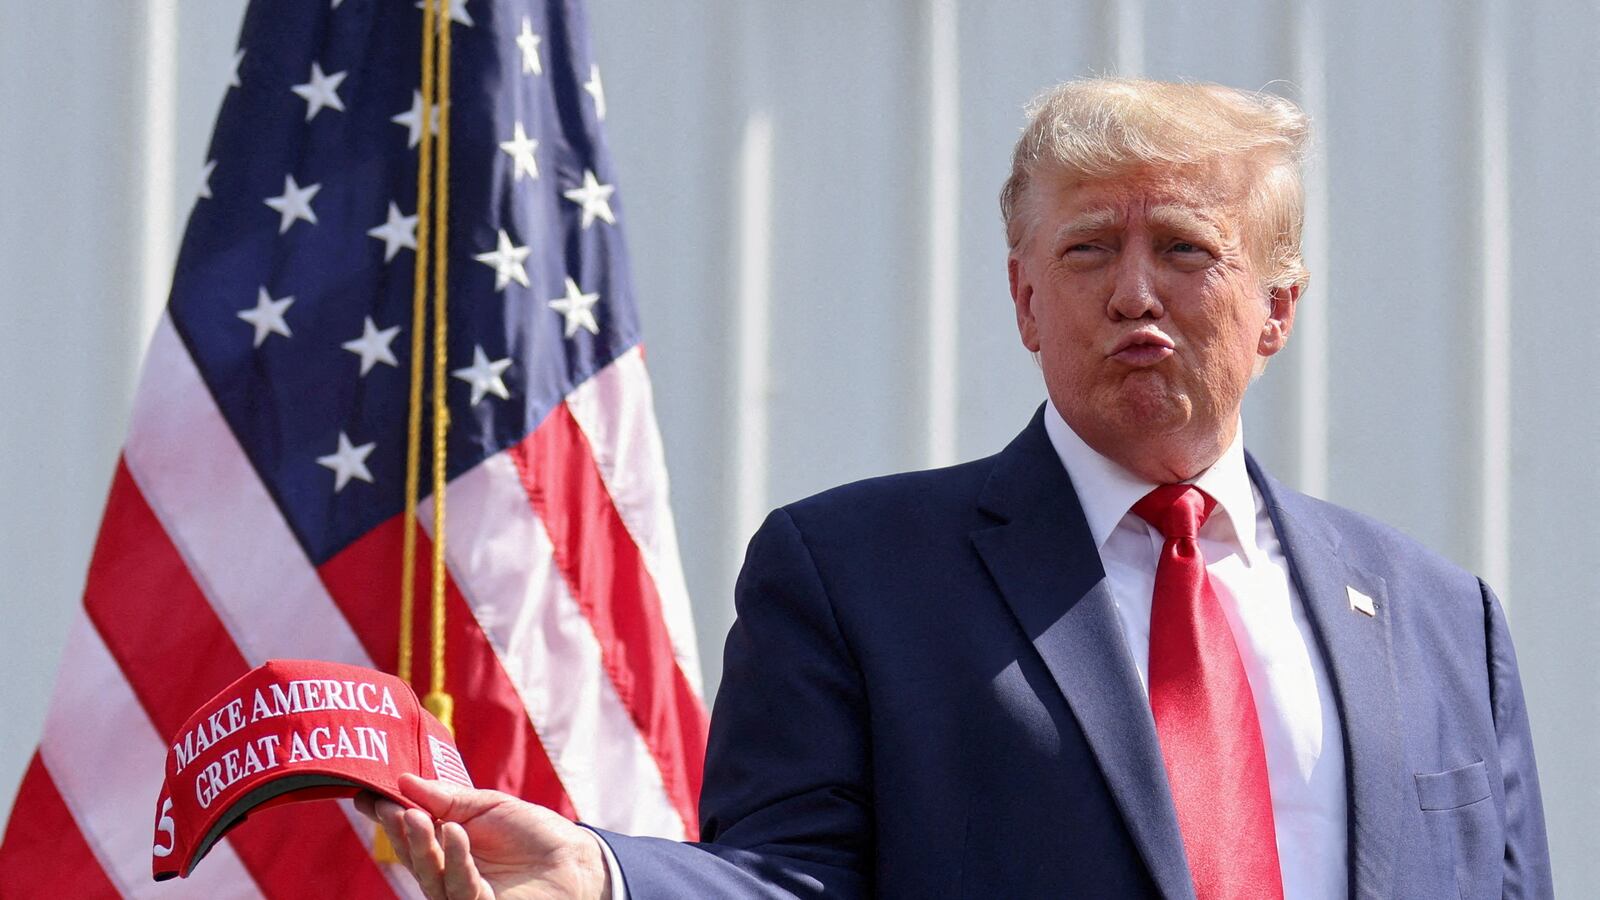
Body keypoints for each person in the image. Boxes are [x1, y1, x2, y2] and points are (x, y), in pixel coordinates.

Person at [360, 77, 1553, 899]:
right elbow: (790, 878)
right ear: (1027, 300)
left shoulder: (1446, 622)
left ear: (1276, 309)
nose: (1134, 294)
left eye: (1184, 248)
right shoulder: (855, 576)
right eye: (1088, 250)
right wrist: (601, 875)